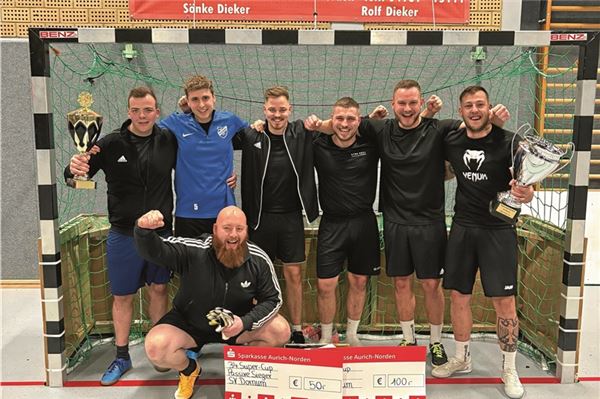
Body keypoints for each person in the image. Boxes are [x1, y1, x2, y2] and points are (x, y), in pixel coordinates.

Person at [65, 87, 177, 385]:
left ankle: (159, 349)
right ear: (129, 111)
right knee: (123, 296)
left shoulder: (168, 139)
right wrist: (73, 167)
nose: (142, 116)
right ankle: (122, 355)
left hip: (160, 234)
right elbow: (76, 174)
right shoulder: (110, 143)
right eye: (136, 110)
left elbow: (198, 161)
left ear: (157, 112)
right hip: (123, 235)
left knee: (158, 290)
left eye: (148, 110)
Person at [432, 86, 533, 399]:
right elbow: (445, 168)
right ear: (461, 111)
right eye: (468, 106)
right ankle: (462, 358)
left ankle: (509, 368)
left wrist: (526, 192)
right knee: (459, 296)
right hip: (462, 227)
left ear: (490, 108)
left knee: (505, 303)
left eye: (480, 105)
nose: (474, 110)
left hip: (498, 230)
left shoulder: (510, 140)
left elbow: (528, 186)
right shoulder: (452, 140)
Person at [135, 206, 290, 399]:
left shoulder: (258, 259)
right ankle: (189, 370)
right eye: (227, 228)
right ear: (215, 229)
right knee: (155, 347)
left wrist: (244, 322)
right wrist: (144, 231)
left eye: (239, 229)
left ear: (246, 231)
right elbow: (156, 251)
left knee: (281, 331)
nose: (233, 235)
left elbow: (273, 299)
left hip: (237, 326)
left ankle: (245, 371)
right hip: (191, 325)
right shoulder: (193, 249)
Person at [232, 85, 320, 344]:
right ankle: (261, 327)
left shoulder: (302, 132)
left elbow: (335, 128)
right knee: (260, 278)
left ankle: (296, 329)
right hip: (259, 219)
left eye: (282, 109)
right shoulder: (251, 135)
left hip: (291, 217)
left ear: (290, 109)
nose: (277, 114)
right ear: (264, 109)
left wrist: (370, 120)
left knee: (293, 275)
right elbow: (214, 140)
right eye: (272, 109)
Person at [311, 97, 381, 346]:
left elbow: (406, 129)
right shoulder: (318, 143)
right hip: (331, 222)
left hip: (363, 222)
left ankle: (352, 334)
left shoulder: (371, 144)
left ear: (359, 121)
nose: (344, 124)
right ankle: (327, 337)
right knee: (325, 284)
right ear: (332, 118)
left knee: (359, 281)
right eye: (339, 118)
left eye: (350, 118)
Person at [158, 75, 247, 237]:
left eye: (205, 98)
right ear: (187, 102)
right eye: (195, 99)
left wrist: (259, 125)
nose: (201, 104)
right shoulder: (176, 122)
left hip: (224, 212)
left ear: (214, 98)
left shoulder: (229, 120)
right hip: (188, 213)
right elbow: (143, 131)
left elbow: (257, 139)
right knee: (188, 262)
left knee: (224, 262)